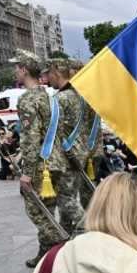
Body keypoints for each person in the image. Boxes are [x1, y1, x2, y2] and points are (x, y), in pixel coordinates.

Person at [13, 50, 66, 268]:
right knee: (48, 209)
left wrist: (26, 172)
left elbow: (32, 137)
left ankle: (62, 245)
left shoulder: (28, 99)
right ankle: (46, 254)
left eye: (17, 67)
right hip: (56, 162)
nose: (15, 71)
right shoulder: (49, 96)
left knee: (36, 211)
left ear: (24, 70)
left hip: (40, 166)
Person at [46, 60, 89, 235]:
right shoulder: (80, 96)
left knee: (66, 199)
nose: (48, 78)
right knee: (70, 196)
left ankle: (92, 230)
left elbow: (54, 130)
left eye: (49, 74)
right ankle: (67, 238)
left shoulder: (60, 98)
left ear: (57, 72)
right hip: (79, 154)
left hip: (66, 156)